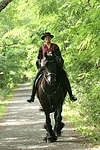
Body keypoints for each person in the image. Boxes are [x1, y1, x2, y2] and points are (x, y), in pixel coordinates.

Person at [27, 32, 77, 103]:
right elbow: (39, 58)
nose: (47, 39)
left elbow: (59, 56)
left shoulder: (55, 46)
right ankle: (32, 96)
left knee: (64, 77)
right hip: (45, 67)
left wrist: (56, 60)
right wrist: (40, 64)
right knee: (36, 79)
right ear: (44, 39)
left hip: (54, 66)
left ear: (50, 38)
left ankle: (71, 95)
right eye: (46, 37)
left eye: (48, 37)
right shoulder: (41, 47)